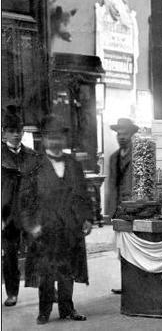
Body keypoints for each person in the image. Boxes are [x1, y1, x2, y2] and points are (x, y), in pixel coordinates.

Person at [20, 114, 93, 325]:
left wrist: (87, 219)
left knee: (67, 270)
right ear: (44, 140)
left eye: (59, 137)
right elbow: (25, 200)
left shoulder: (73, 164)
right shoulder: (34, 166)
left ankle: (67, 309)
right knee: (46, 272)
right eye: (51, 137)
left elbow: (82, 194)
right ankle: (44, 312)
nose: (55, 141)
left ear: (64, 139)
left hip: (70, 226)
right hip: (46, 227)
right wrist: (31, 225)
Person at [1, 106, 38, 307]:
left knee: (39, 250)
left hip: (30, 213)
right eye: (11, 131)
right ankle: (12, 293)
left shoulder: (32, 156)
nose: (15, 135)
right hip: (7, 214)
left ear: (23, 132)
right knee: (9, 256)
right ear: (3, 132)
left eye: (19, 131)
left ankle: (46, 289)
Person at [105, 117, 139, 295]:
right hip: (120, 209)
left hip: (136, 208)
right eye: (119, 134)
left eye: (125, 133)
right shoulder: (113, 157)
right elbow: (111, 184)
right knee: (122, 248)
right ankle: (126, 283)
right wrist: (110, 211)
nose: (121, 137)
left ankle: (135, 284)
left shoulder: (140, 155)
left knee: (136, 246)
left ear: (132, 135)